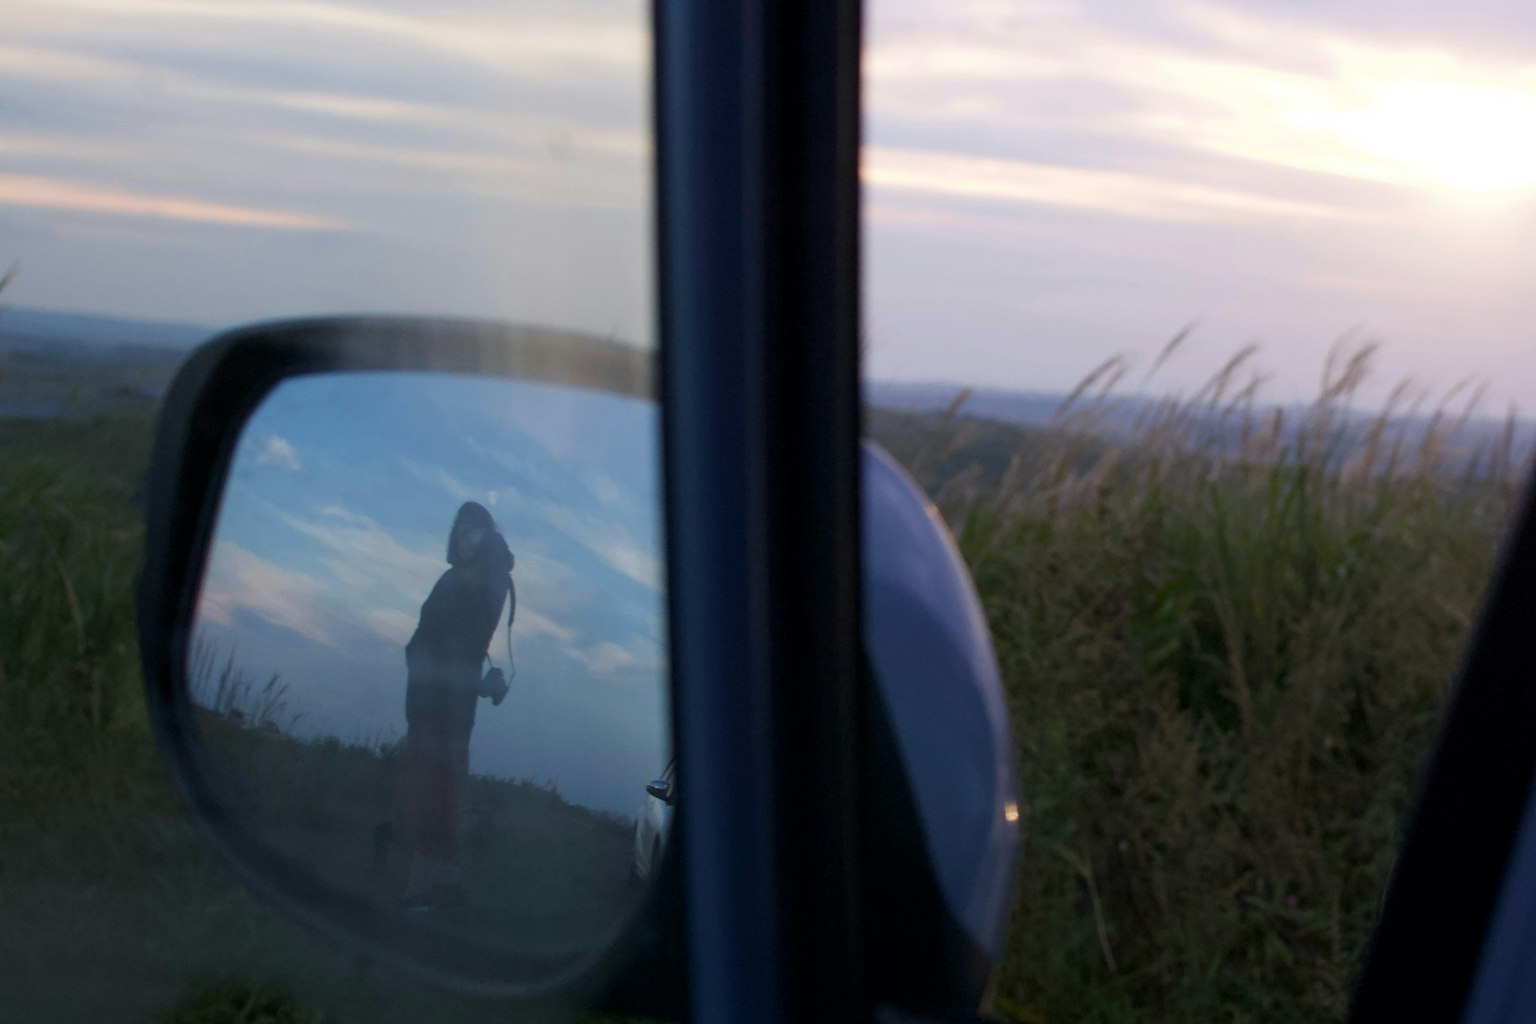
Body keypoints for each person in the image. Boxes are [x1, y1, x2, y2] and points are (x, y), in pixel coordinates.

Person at [394, 501, 515, 909]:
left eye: (475, 530)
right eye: (460, 530)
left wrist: (461, 679)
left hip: (442, 710)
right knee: (436, 794)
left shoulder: (474, 580)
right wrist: (478, 684)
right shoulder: (473, 580)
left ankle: (419, 896)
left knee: (435, 794)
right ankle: (440, 885)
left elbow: (448, 651)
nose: (465, 537)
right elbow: (448, 651)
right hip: (436, 706)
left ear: (488, 536)